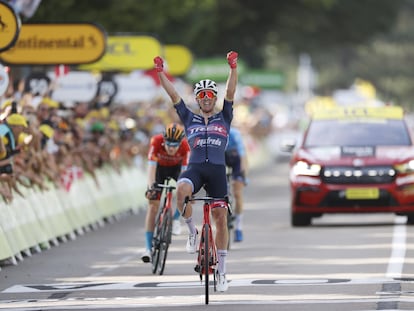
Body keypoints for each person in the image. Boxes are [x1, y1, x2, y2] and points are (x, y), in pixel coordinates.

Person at [153, 51, 238, 292]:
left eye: (211, 95)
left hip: (218, 172)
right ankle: (192, 232)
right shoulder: (189, 118)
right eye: (202, 95)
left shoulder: (225, 116)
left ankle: (222, 271)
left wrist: (233, 68)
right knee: (181, 189)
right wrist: (161, 73)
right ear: (198, 99)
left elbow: (231, 92)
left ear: (214, 97)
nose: (207, 98)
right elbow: (173, 95)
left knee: (220, 218)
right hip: (196, 169)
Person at [141, 122, 191, 263]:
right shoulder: (156, 141)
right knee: (152, 206)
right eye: (168, 144)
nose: (171, 148)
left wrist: (185, 191)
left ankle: (175, 219)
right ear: (164, 141)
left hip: (176, 169)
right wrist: (151, 187)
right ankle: (147, 248)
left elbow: (185, 174)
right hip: (159, 170)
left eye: (175, 145)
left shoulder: (186, 146)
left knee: (186, 194)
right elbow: (151, 169)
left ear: (180, 143)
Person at [225, 126, 248, 242]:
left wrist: (243, 174)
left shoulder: (234, 133)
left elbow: (242, 154)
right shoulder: (213, 130)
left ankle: (238, 227)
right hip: (221, 158)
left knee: (237, 193)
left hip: (235, 159)